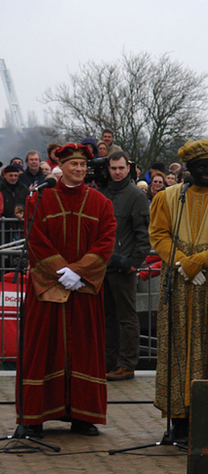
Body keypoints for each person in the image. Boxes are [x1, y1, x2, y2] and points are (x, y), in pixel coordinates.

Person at [148, 138, 208, 440]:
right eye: (201, 168)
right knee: (178, 346)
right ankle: (179, 418)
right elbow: (158, 235)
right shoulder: (166, 198)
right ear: (188, 169)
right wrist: (182, 263)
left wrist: (201, 262)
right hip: (178, 283)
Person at [16, 143, 116, 438]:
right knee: (42, 350)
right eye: (74, 165)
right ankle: (33, 417)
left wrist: (80, 272)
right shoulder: (41, 198)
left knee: (84, 351)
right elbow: (34, 239)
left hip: (83, 290)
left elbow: (106, 239)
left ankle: (82, 416)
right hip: (47, 289)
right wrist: (62, 271)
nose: (80, 170)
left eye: (84, 166)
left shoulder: (100, 202)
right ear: (62, 168)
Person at [99, 151, 151, 382]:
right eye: (114, 168)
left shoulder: (135, 196)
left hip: (123, 266)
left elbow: (144, 234)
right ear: (108, 169)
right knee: (107, 317)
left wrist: (133, 263)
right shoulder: (102, 193)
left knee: (127, 318)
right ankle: (109, 362)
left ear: (128, 168)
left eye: (121, 168)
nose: (117, 172)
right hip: (102, 265)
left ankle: (127, 364)